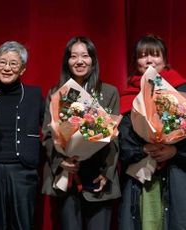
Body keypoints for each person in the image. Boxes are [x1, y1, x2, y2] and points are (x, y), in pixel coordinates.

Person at [118, 34, 186, 230]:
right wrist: (144, 148)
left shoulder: (181, 89)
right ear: (136, 61)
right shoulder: (128, 95)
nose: (149, 60)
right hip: (140, 180)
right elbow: (122, 141)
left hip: (178, 179)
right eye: (143, 55)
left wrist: (174, 151)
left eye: (155, 55)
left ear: (164, 59)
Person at [42, 36, 121, 230]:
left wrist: (106, 173)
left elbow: (114, 138)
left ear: (93, 60)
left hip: (97, 181)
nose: (79, 61)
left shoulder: (109, 93)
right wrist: (61, 162)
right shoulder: (56, 93)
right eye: (73, 56)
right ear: (67, 62)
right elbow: (47, 134)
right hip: (67, 179)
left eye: (85, 56)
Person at [0, 41, 44, 230]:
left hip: (24, 172)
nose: (7, 68)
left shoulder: (34, 95)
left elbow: (54, 130)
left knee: (23, 225)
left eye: (13, 64)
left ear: (23, 69)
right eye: (2, 62)